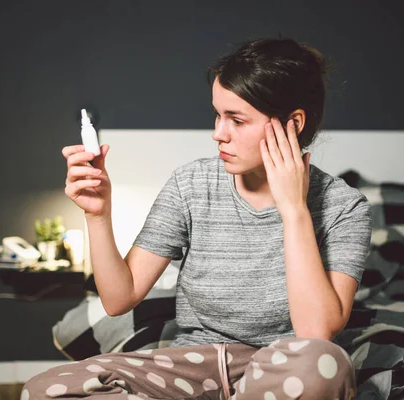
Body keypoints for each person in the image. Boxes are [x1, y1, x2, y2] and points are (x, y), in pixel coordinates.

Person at [22, 37, 372, 400]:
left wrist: (294, 210)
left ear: (293, 123)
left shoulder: (344, 208)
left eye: (236, 119)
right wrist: (97, 215)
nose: (218, 133)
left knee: (323, 365)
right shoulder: (192, 185)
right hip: (193, 365)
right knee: (45, 388)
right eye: (218, 115)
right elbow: (118, 299)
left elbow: (315, 335)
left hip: (281, 371)